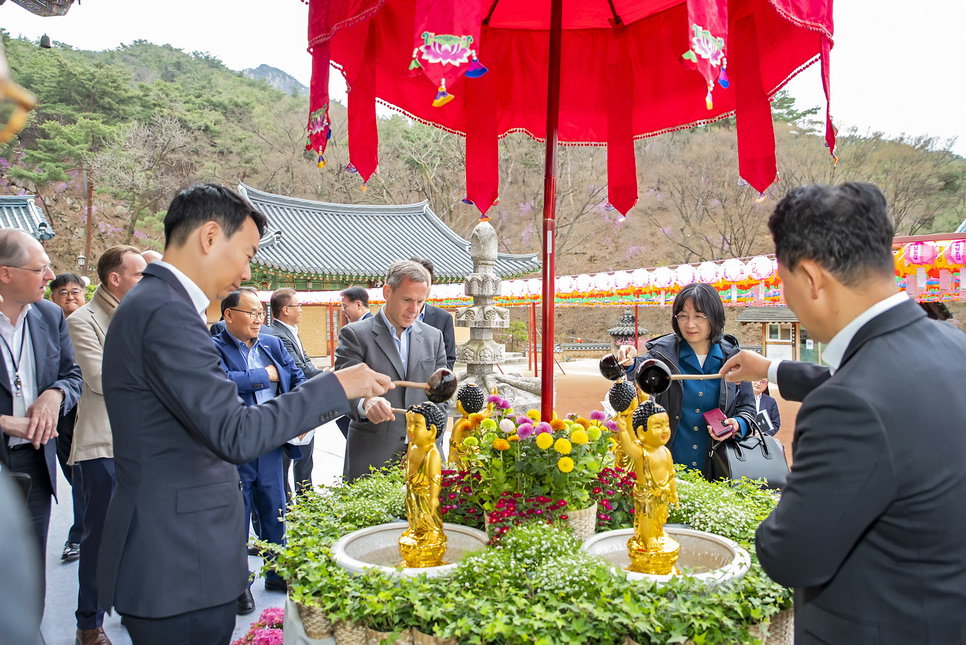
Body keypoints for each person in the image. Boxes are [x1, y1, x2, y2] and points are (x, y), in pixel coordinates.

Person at [96, 184, 391, 645]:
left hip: (179, 551)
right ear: (210, 237)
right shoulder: (166, 312)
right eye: (247, 253)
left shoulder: (157, 304)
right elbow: (235, 432)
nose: (247, 271)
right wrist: (336, 385)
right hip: (179, 558)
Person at [720, 182, 966, 644]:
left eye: (783, 282)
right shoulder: (953, 346)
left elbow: (791, 554)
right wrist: (771, 368)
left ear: (811, 278)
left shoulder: (848, 405)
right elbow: (880, 388)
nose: (786, 298)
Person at [0, 229, 83, 644]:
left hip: (35, 462)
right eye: (40, 269)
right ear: (5, 273)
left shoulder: (49, 316)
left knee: (29, 571)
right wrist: (5, 421)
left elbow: (73, 374)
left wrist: (55, 395)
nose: (50, 276)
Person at [66, 245, 145, 645]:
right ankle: (89, 623)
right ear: (115, 279)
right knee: (99, 539)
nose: (146, 282)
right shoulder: (83, 320)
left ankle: (131, 604)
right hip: (103, 445)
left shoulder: (143, 316)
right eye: (139, 274)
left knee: (140, 534)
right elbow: (100, 379)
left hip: (145, 445)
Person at [212, 287, 305, 611]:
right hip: (235, 444)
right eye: (251, 313)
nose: (258, 319)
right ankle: (238, 584)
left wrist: (301, 414)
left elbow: (296, 376)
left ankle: (276, 572)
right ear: (229, 315)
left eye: (260, 313)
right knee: (237, 515)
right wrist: (263, 376)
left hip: (270, 441)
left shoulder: (272, 343)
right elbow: (221, 383)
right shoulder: (213, 347)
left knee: (274, 510)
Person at [616, 282, 755, 474]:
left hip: (719, 468)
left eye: (699, 316)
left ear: (714, 317)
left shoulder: (734, 358)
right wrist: (628, 360)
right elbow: (638, 370)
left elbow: (748, 409)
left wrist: (737, 423)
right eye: (683, 315)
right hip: (667, 466)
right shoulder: (662, 355)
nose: (690, 324)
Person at [335, 260, 447, 482]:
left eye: (420, 302)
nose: (414, 310)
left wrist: (427, 438)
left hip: (425, 454)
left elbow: (443, 396)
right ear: (387, 292)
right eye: (407, 300)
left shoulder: (434, 337)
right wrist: (366, 404)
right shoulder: (355, 335)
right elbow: (342, 390)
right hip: (373, 455)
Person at [263, 287, 320, 497]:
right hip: (289, 406)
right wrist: (327, 376)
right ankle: (287, 504)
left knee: (305, 458)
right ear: (286, 309)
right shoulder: (277, 335)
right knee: (285, 461)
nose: (301, 310)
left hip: (303, 403)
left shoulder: (290, 331)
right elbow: (299, 369)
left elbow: (306, 361)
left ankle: (305, 498)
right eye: (298, 306)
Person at [49, 271, 87, 562]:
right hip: (62, 412)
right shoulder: (47, 325)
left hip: (92, 411)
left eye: (75, 291)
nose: (70, 297)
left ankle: (78, 536)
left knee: (86, 475)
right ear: (53, 298)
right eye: (63, 293)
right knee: (74, 474)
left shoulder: (94, 321)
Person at [410, 257, 456, 370]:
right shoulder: (392, 317)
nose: (421, 287)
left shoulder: (443, 318)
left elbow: (449, 360)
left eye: (426, 282)